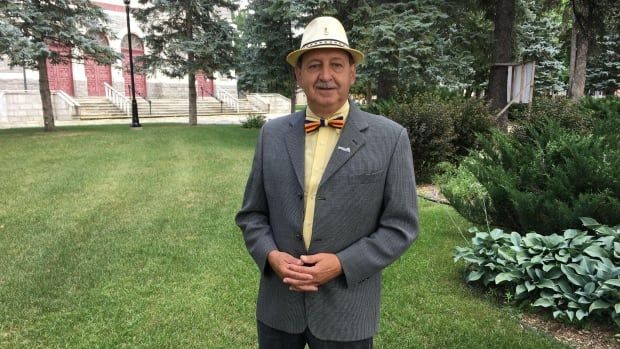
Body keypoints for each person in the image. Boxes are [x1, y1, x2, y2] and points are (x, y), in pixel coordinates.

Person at [236, 16, 419, 349]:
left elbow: (400, 226)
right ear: (299, 74)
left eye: (336, 64)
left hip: (347, 312)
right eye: (314, 65)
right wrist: (272, 257)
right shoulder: (272, 135)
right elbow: (251, 216)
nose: (325, 75)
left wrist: (341, 264)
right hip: (279, 308)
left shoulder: (390, 138)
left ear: (352, 73)